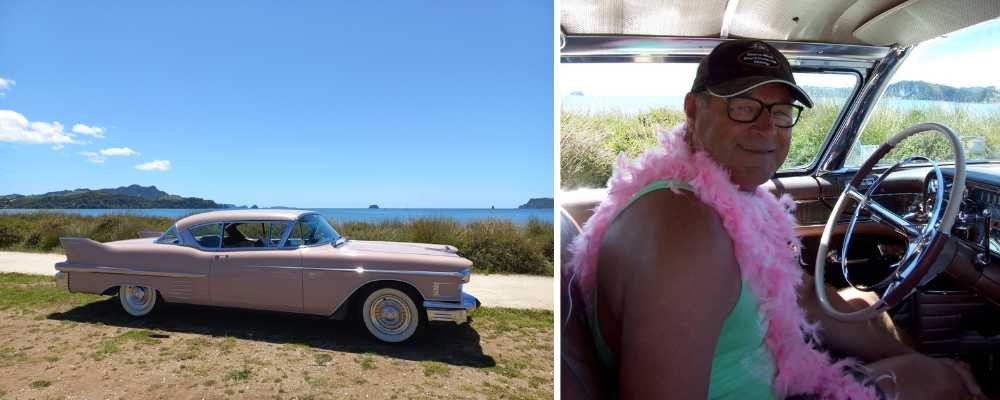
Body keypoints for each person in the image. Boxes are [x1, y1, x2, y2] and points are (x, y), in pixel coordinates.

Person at [566, 39, 984, 399]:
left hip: (780, 378)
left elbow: (803, 299)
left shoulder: (735, 202)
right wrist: (919, 377)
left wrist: (910, 361)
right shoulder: (685, 227)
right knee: (943, 383)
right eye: (745, 107)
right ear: (693, 109)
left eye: (781, 112)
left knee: (866, 306)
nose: (768, 127)